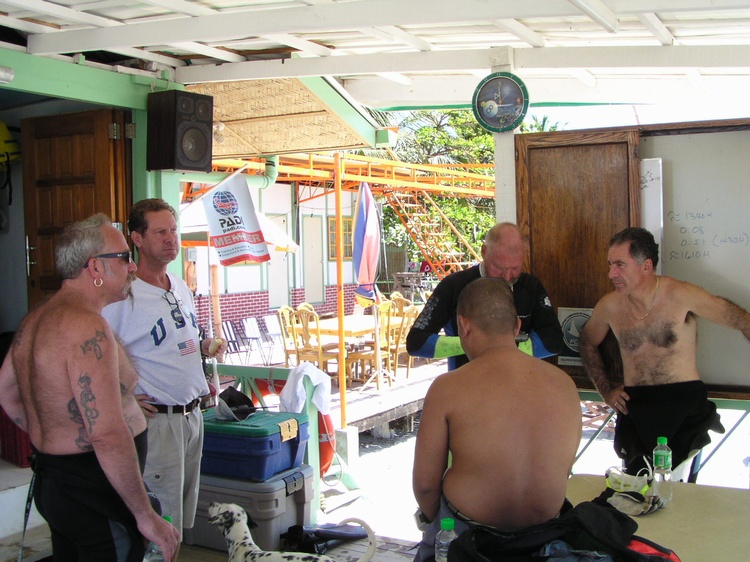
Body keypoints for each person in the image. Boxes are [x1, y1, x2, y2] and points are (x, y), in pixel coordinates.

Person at [0, 213, 180, 561]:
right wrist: (146, 517)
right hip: (93, 489)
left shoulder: (36, 318)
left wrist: (51, 434)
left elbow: (6, 392)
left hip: (59, 481)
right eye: (124, 257)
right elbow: (108, 434)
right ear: (95, 268)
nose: (131, 267)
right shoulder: (86, 328)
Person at [412, 277, 581, 561]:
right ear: (517, 327)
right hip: (545, 537)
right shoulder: (564, 384)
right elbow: (563, 467)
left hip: (470, 538)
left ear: (464, 325)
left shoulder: (447, 387)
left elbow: (426, 485)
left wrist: (439, 526)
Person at [102, 198, 226, 536]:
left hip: (192, 417)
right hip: (157, 423)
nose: (171, 239)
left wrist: (202, 350)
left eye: (173, 230)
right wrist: (120, 397)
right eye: (160, 232)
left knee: (179, 522)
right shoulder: (122, 295)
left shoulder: (181, 287)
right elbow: (96, 350)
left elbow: (174, 343)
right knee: (158, 524)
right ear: (137, 239)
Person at [579, 227, 748, 474]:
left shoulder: (681, 294)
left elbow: (743, 321)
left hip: (683, 403)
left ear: (646, 266)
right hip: (635, 404)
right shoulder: (610, 306)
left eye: (619, 265)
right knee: (636, 489)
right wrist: (605, 390)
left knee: (676, 493)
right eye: (610, 265)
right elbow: (586, 341)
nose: (610, 273)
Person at [406, 222, 563, 370]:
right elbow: (416, 343)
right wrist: (477, 344)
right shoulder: (453, 285)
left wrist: (505, 347)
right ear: (484, 252)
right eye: (498, 267)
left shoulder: (531, 286)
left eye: (515, 268)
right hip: (467, 388)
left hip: (516, 387)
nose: (507, 277)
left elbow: (554, 341)